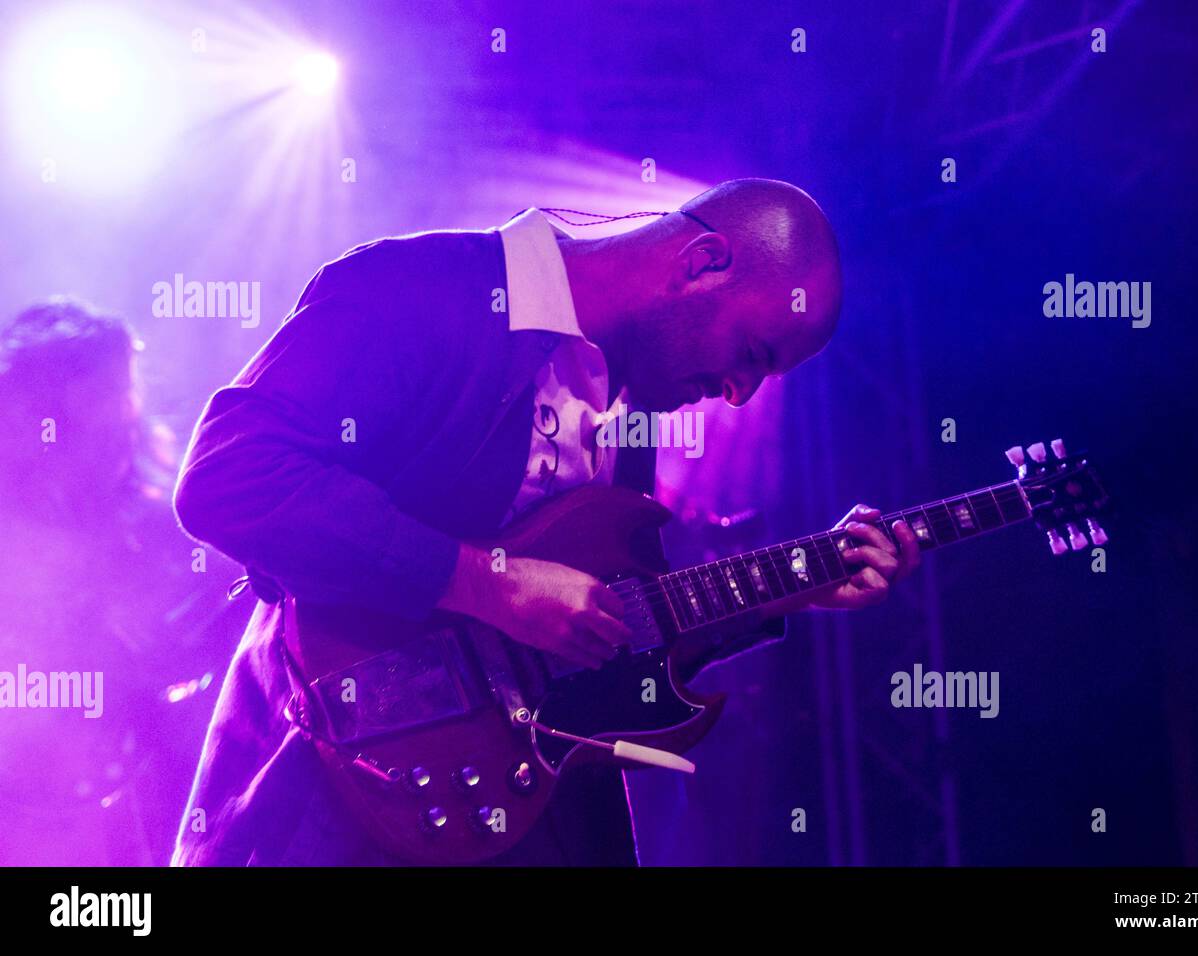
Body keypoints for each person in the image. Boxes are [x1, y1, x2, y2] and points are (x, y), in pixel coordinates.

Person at [171, 178, 920, 866]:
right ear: (702, 261)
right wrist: (481, 584)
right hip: (322, 795)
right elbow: (228, 475)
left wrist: (793, 587)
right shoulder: (419, 289)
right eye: (752, 355)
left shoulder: (628, 405)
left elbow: (593, 638)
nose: (738, 394)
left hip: (498, 822)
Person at [0, 296, 238, 865]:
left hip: (139, 817)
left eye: (124, 391)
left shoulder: (159, 522)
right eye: (103, 393)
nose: (124, 412)